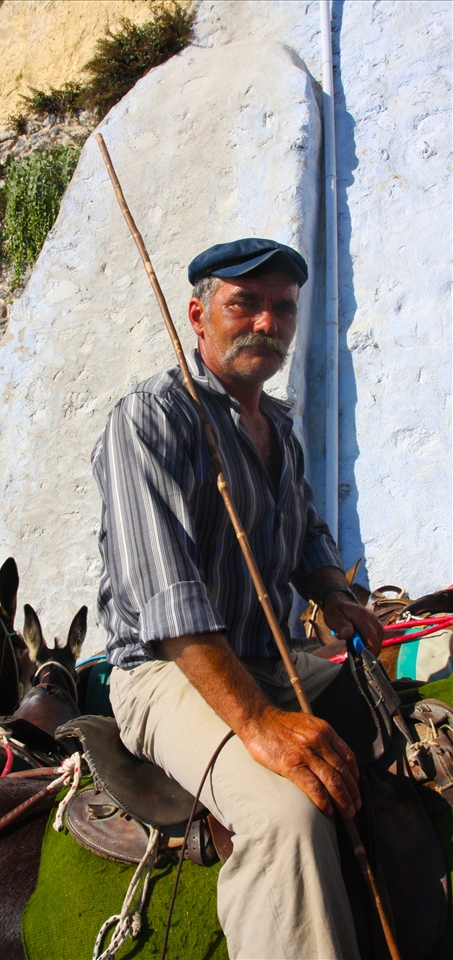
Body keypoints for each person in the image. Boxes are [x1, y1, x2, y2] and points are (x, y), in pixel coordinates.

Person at [92, 238, 384, 960]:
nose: (266, 322)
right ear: (197, 315)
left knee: (401, 717)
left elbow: (308, 531)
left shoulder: (279, 427)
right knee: (286, 811)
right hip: (168, 671)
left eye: (282, 308)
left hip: (271, 656)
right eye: (243, 304)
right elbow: (166, 600)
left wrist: (335, 594)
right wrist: (257, 723)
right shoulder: (150, 419)